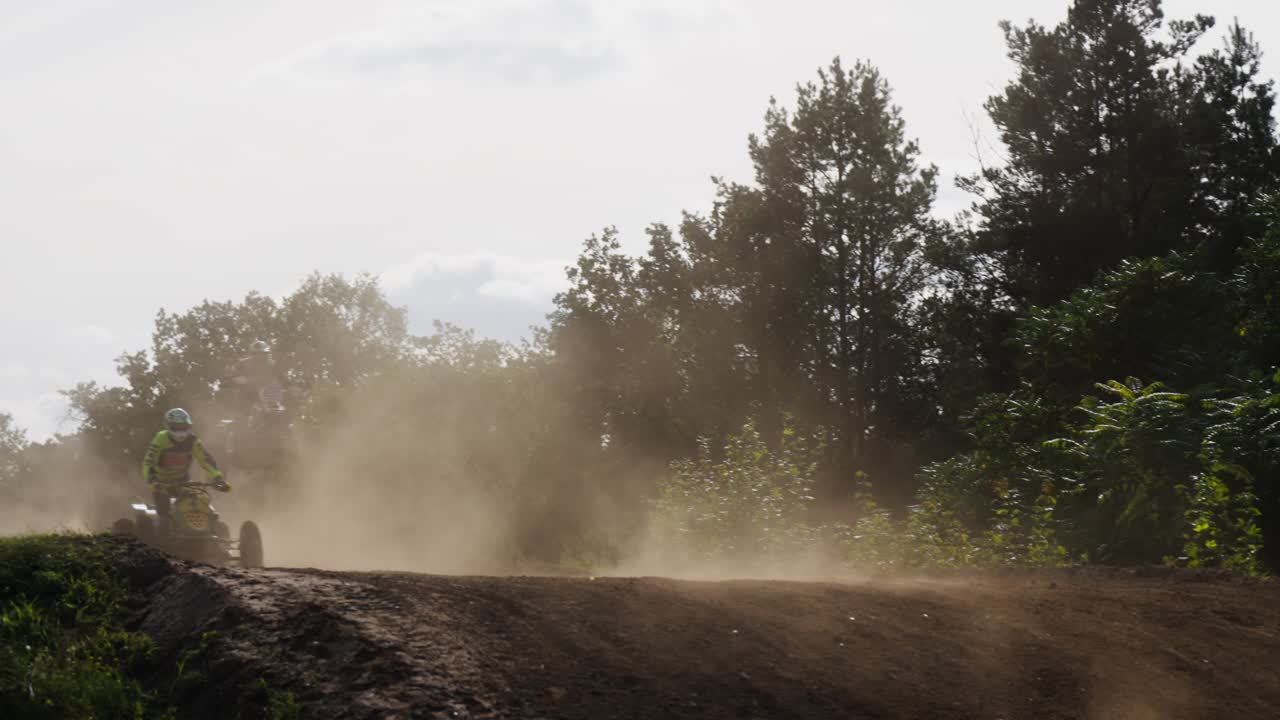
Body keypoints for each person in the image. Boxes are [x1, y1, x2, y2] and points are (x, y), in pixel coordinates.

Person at [142, 408, 228, 534]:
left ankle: (210, 533)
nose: (180, 431)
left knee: (200, 503)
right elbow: (148, 462)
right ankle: (161, 539)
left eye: (183, 427)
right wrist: (152, 479)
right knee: (164, 513)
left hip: (183, 481)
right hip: (162, 483)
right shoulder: (160, 439)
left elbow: (205, 459)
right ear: (168, 426)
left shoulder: (192, 441)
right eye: (176, 427)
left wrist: (217, 477)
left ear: (189, 426)